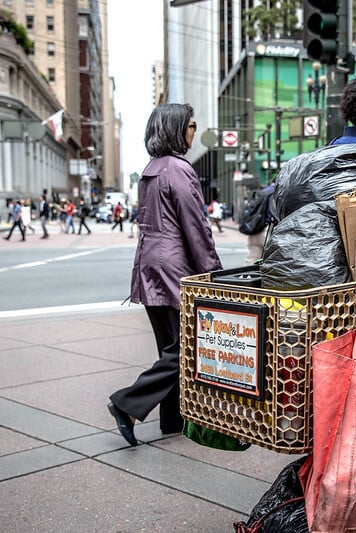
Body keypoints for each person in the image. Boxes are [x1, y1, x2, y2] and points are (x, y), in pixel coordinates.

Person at [107, 103, 222, 446]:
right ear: (175, 129)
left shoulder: (151, 169)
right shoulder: (179, 169)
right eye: (190, 125)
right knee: (189, 347)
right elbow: (195, 227)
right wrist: (213, 272)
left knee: (170, 347)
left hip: (149, 265)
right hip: (175, 269)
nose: (193, 131)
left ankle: (172, 419)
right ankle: (126, 403)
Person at [244, 182, 276, 264]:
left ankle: (246, 276)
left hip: (255, 229)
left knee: (251, 260)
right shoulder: (276, 192)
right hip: (268, 230)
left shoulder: (261, 192)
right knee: (272, 262)